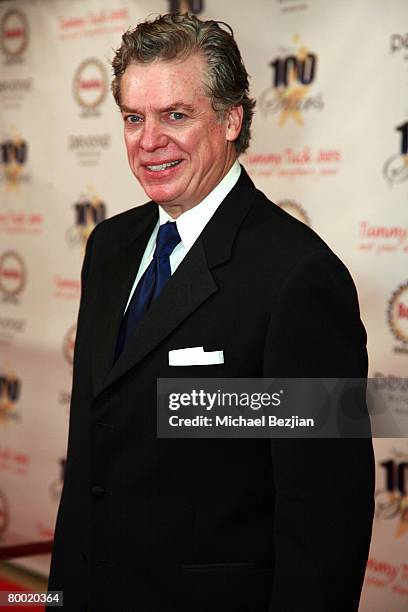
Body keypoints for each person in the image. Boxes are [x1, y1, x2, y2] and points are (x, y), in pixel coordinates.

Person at [47, 13, 374, 612]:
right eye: (133, 118)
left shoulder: (300, 279)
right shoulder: (109, 247)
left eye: (175, 115)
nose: (149, 142)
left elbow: (325, 520)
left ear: (230, 119)